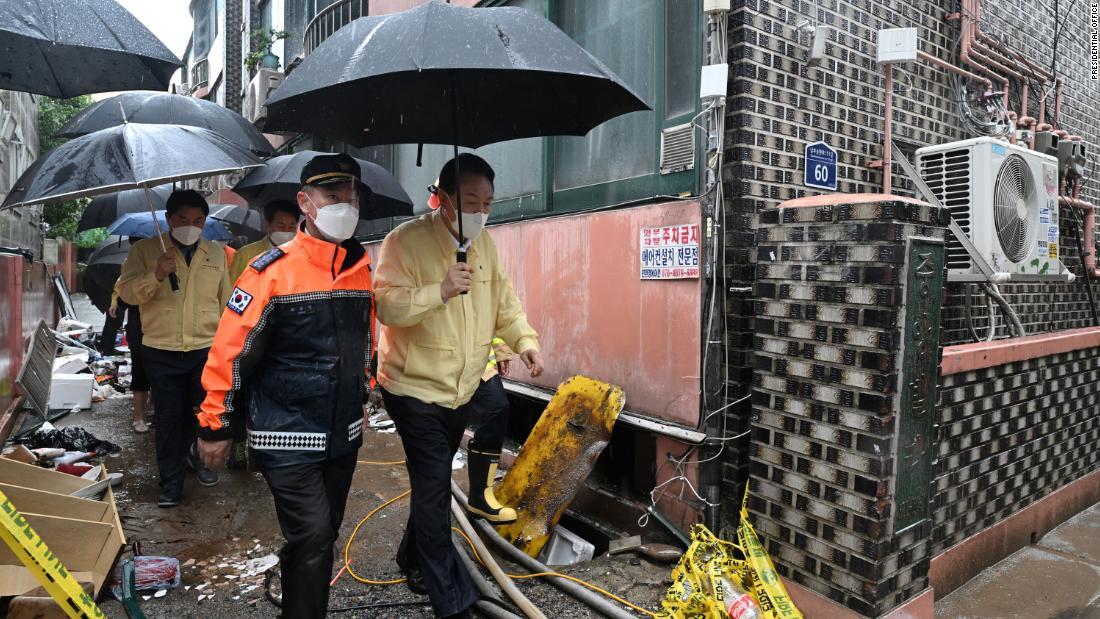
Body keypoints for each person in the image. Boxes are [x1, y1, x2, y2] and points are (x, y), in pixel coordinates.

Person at [195, 154, 375, 619]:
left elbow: (364, 337)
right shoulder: (269, 272)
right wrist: (215, 425)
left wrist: (364, 390)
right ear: (305, 202)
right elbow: (231, 352)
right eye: (332, 195)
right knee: (314, 535)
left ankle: (296, 590)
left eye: (351, 195)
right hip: (286, 432)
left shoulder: (359, 266)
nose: (345, 204)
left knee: (320, 536)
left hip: (343, 433)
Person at [374, 153, 544, 618]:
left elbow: (504, 303)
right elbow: (387, 308)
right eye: (472, 200)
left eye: (489, 202)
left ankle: (412, 558)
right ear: (446, 200)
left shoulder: (484, 244)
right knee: (433, 488)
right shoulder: (403, 242)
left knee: (431, 484)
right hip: (412, 388)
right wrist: (441, 290)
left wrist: (523, 341)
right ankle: (453, 601)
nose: (482, 210)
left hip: (462, 389)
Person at [117, 190, 232, 507]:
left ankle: (202, 462)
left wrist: (229, 346)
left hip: (204, 348)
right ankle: (170, 483)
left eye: (198, 220)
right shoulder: (145, 250)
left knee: (203, 414)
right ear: (169, 220)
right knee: (168, 419)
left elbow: (226, 301)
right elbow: (126, 293)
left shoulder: (215, 253)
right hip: (161, 349)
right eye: (183, 219)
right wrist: (155, 274)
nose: (191, 226)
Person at [228, 200, 300, 282]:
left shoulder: (302, 255)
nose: (286, 230)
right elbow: (233, 287)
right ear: (268, 224)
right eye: (281, 225)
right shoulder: (246, 255)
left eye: (291, 226)